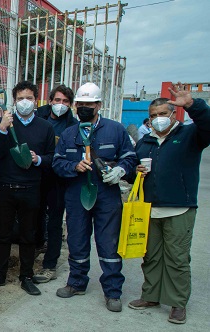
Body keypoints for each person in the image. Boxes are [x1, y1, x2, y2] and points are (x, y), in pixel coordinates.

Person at [127, 84, 210, 324]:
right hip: (150, 208)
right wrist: (135, 171)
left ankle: (177, 302)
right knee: (151, 255)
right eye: (153, 116)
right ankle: (151, 295)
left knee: (177, 257)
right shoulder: (146, 143)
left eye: (163, 114)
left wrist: (194, 105)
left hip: (179, 208)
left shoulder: (190, 135)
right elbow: (132, 175)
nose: (158, 119)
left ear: (174, 114)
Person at [52, 82, 137, 312]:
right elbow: (57, 163)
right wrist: (74, 166)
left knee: (108, 243)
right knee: (77, 241)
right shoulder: (69, 134)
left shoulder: (115, 130)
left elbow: (130, 157)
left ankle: (112, 291)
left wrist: (120, 170)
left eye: (90, 104)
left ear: (99, 105)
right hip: (78, 194)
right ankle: (77, 282)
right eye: (81, 104)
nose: (84, 108)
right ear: (76, 105)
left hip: (106, 195)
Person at [0, 81, 55, 296]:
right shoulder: (4, 123)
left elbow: (52, 157)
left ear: (36, 101)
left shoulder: (45, 127)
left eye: (29, 98)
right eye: (21, 98)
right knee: (3, 234)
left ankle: (26, 276)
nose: (25, 102)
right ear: (14, 101)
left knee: (28, 235)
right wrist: (2, 128)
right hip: (5, 187)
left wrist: (38, 159)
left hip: (32, 188)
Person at [33, 84, 77, 284]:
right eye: (57, 100)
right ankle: (36, 247)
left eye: (65, 102)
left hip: (58, 178)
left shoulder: (72, 125)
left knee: (55, 221)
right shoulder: (38, 116)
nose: (61, 105)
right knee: (35, 215)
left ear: (71, 105)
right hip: (35, 175)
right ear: (50, 101)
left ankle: (50, 264)